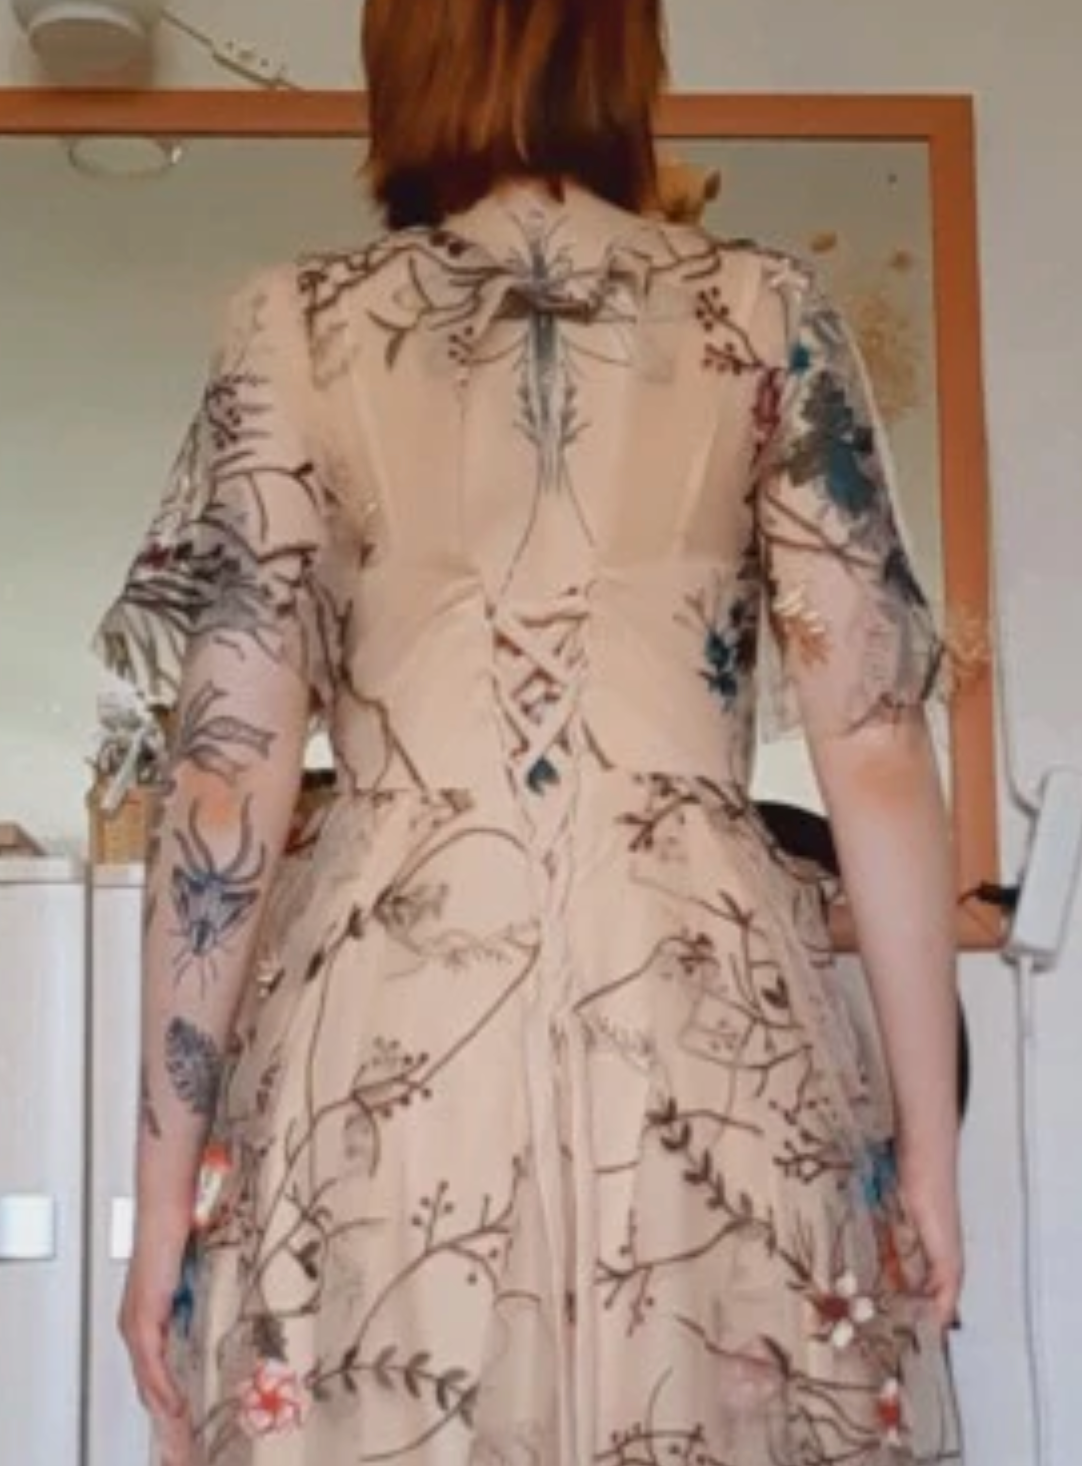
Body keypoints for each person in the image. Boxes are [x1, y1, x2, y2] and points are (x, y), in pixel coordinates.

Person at [95, 1, 965, 1461]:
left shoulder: (297, 328)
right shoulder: (764, 310)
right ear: (627, 48)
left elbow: (227, 776)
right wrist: (924, 1149)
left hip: (392, 999)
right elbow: (871, 742)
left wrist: (163, 1189)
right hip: (699, 1002)